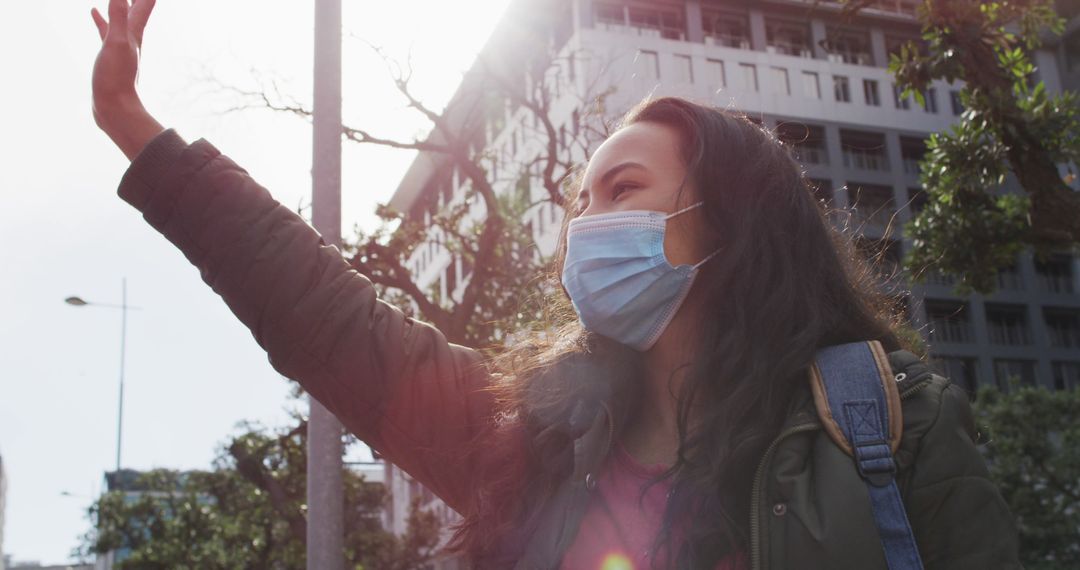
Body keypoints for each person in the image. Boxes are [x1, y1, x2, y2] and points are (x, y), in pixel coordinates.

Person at [89, 1, 1021, 568]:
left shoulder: (887, 425)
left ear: (728, 223)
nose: (586, 227)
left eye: (622, 190)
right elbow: (329, 320)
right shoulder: (522, 443)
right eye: (579, 203)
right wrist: (140, 133)